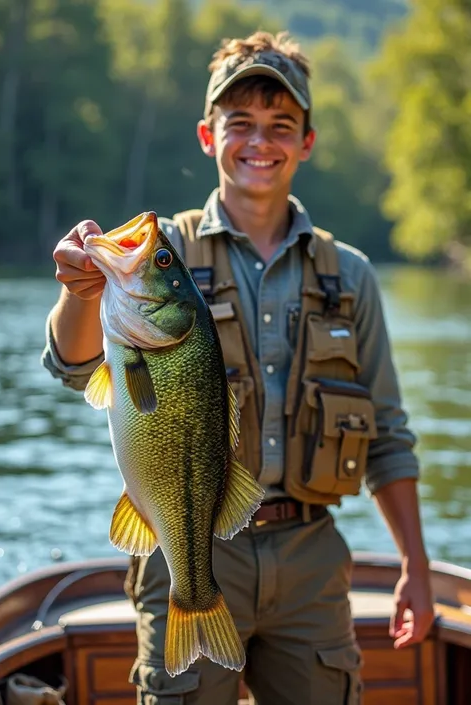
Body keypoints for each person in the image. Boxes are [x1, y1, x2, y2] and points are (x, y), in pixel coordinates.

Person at [42, 30, 434, 705]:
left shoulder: (353, 277)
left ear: (307, 142)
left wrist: (416, 565)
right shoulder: (158, 254)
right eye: (240, 123)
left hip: (310, 556)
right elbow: (74, 365)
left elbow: (389, 439)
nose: (260, 141)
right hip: (183, 545)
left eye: (281, 125)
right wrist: (80, 292)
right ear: (206, 134)